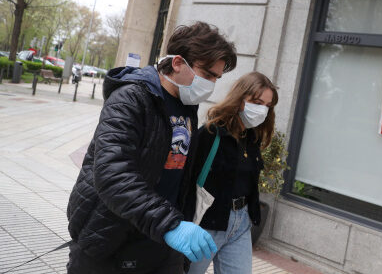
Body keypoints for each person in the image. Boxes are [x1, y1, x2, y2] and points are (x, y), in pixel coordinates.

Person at [66, 22, 237, 273]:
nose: (211, 83)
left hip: (159, 242)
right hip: (110, 238)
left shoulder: (187, 105)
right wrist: (171, 225)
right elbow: (113, 175)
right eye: (208, 74)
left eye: (216, 78)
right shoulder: (130, 98)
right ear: (178, 63)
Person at [186, 72, 278, 274]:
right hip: (207, 223)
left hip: (241, 222)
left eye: (267, 105)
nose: (261, 109)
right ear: (241, 98)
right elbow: (187, 179)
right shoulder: (211, 133)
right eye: (256, 101)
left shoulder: (251, 137)